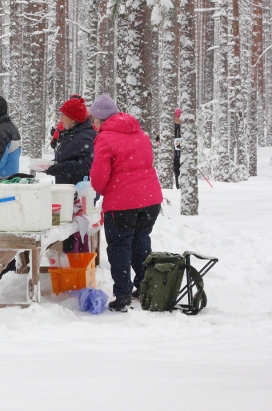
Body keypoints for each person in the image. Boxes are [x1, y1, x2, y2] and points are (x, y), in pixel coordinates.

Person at [89, 94, 163, 312]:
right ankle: (144, 286)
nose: (93, 123)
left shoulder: (105, 138)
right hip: (150, 199)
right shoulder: (139, 133)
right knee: (141, 242)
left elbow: (99, 178)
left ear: (102, 118)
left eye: (94, 119)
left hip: (123, 203)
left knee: (120, 247)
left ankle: (122, 295)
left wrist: (103, 190)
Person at [40, 94, 97, 185]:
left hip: (78, 192)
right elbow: (69, 157)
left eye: (63, 115)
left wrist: (60, 168)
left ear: (73, 119)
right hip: (67, 190)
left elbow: (86, 165)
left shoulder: (84, 137)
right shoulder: (71, 133)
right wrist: (51, 165)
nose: (60, 119)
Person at [173, 108, 181, 188]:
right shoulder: (172, 127)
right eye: (176, 117)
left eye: (179, 117)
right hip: (174, 154)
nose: (178, 119)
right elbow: (158, 137)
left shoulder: (183, 127)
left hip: (182, 154)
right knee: (176, 171)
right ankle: (177, 186)